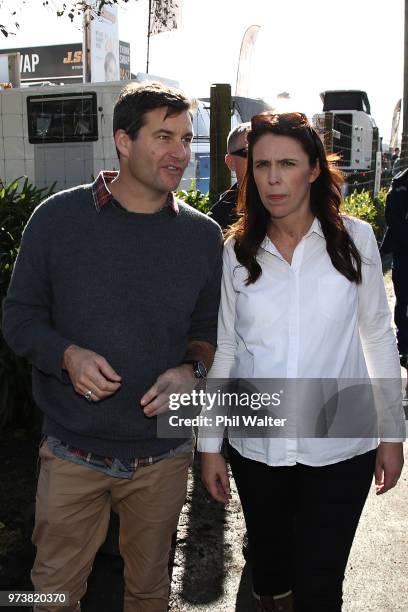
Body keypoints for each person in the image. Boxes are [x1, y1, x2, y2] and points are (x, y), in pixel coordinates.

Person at [2, 81, 222, 612]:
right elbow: (19, 317)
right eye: (164, 136)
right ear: (123, 141)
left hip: (163, 457)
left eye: (186, 139)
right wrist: (66, 356)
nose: (179, 153)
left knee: (149, 595)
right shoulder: (57, 220)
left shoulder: (203, 236)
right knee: (52, 595)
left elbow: (209, 330)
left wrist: (192, 370)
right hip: (72, 451)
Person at [199, 112, 405, 612]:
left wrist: (392, 435)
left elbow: (377, 335)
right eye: (262, 165)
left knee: (319, 583)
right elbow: (225, 349)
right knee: (270, 573)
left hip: (340, 445)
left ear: (313, 169)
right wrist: (209, 445)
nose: (272, 178)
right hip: (258, 445)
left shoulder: (354, 241)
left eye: (287, 163)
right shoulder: (237, 251)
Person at [381, 167, 408, 371]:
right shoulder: (402, 183)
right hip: (404, 253)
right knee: (404, 300)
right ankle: (404, 346)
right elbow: (393, 218)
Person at [208, 122, 250, 229]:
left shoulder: (291, 207)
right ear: (231, 162)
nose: (260, 160)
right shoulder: (215, 224)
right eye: (249, 153)